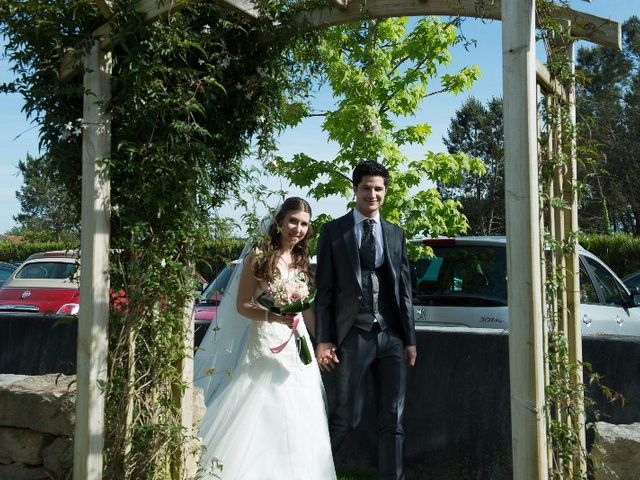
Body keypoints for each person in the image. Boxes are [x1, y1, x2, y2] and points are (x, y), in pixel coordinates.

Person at [195, 197, 336, 480]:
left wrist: (320, 340)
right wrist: (274, 316)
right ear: (280, 222)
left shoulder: (300, 260)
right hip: (265, 341)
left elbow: (306, 306)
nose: (298, 229)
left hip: (297, 346)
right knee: (257, 405)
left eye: (304, 224)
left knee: (302, 409)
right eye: (293, 221)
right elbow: (242, 305)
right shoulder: (258, 257)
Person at [314, 160, 417, 480]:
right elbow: (325, 293)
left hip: (392, 339)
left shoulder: (396, 233)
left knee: (393, 420)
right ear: (355, 190)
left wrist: (410, 340)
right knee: (347, 417)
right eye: (366, 188)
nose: (372, 194)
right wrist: (324, 338)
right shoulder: (334, 231)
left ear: (385, 191)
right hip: (353, 335)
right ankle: (312, 472)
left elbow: (405, 292)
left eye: (378, 188)